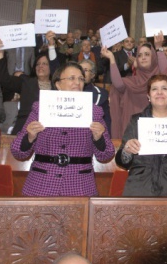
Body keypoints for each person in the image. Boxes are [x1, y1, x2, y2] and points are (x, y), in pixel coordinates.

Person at [12, 62, 114, 196]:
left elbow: (106, 155)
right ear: (58, 84)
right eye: (71, 78)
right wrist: (29, 137)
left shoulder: (94, 112)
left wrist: (99, 138)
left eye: (81, 79)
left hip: (80, 186)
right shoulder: (41, 108)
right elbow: (18, 152)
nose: (77, 82)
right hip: (42, 184)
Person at [100, 32, 167, 139]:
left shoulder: (161, 79)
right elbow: (118, 85)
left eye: (147, 54)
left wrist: (159, 48)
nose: (143, 58)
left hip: (157, 132)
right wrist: (112, 58)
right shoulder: (132, 81)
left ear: (154, 57)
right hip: (133, 132)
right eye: (139, 55)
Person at [0, 31, 60, 134]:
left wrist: (51, 46)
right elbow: (4, 79)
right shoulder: (26, 82)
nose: (40, 66)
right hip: (25, 129)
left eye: (44, 64)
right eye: (38, 64)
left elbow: (56, 66)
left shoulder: (58, 86)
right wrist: (0, 53)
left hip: (50, 130)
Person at [79, 59, 111, 134]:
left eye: (85, 70)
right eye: (79, 70)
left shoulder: (102, 95)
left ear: (93, 75)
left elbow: (107, 123)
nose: (82, 73)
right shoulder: (68, 92)